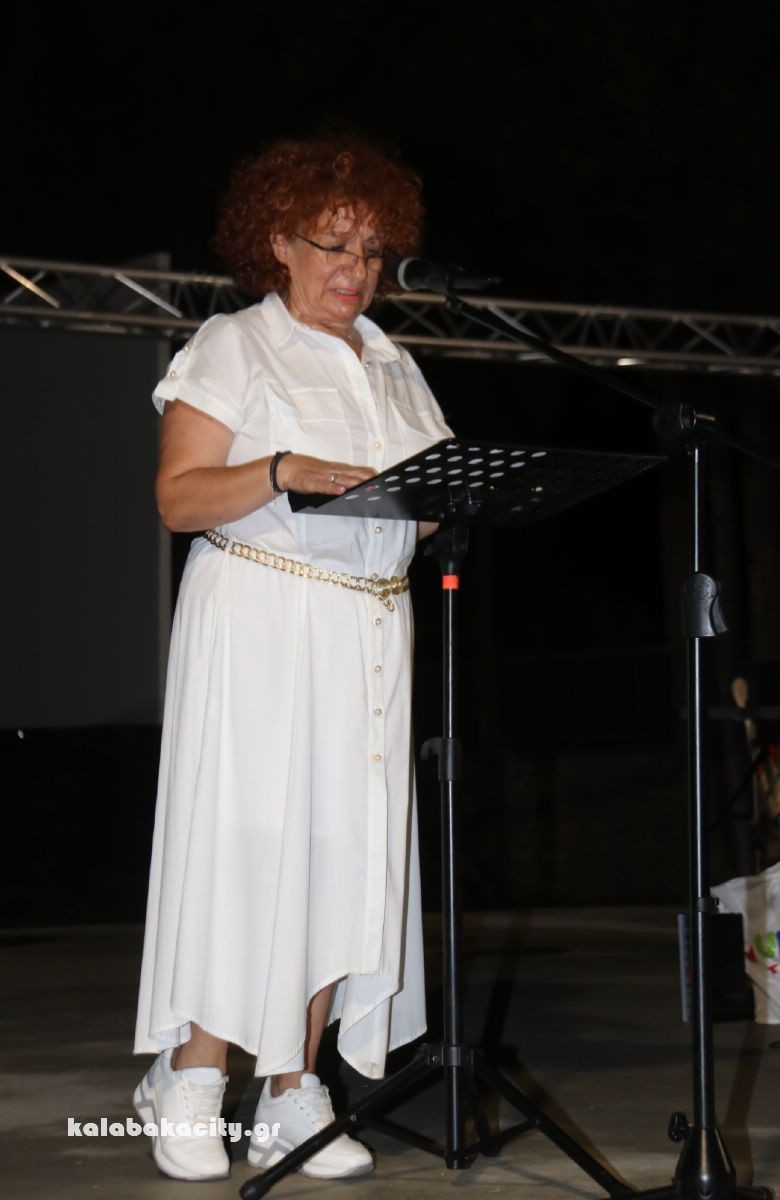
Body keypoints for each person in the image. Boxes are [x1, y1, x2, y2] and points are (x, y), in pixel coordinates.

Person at [132, 134, 452, 1183]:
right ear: (278, 240)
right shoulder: (236, 343)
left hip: (369, 632)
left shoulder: (394, 365)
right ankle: (192, 1073)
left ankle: (290, 1088)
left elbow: (427, 503)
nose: (354, 269)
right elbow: (179, 497)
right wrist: (278, 470)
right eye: (332, 244)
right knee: (250, 845)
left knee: (340, 854)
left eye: (371, 250)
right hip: (262, 623)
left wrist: (441, 505)